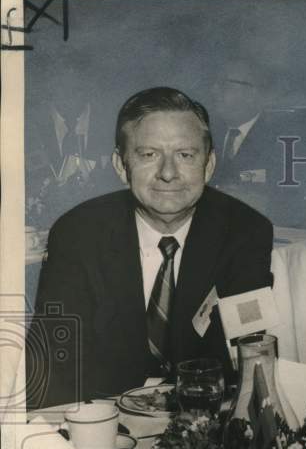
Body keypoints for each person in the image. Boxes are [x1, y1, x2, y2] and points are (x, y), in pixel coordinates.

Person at [27, 87, 273, 409]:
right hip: (101, 416)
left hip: (203, 419)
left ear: (209, 164)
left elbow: (250, 355)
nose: (168, 173)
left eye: (186, 155)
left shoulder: (244, 232)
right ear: (120, 164)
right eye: (149, 155)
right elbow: (51, 365)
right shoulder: (77, 234)